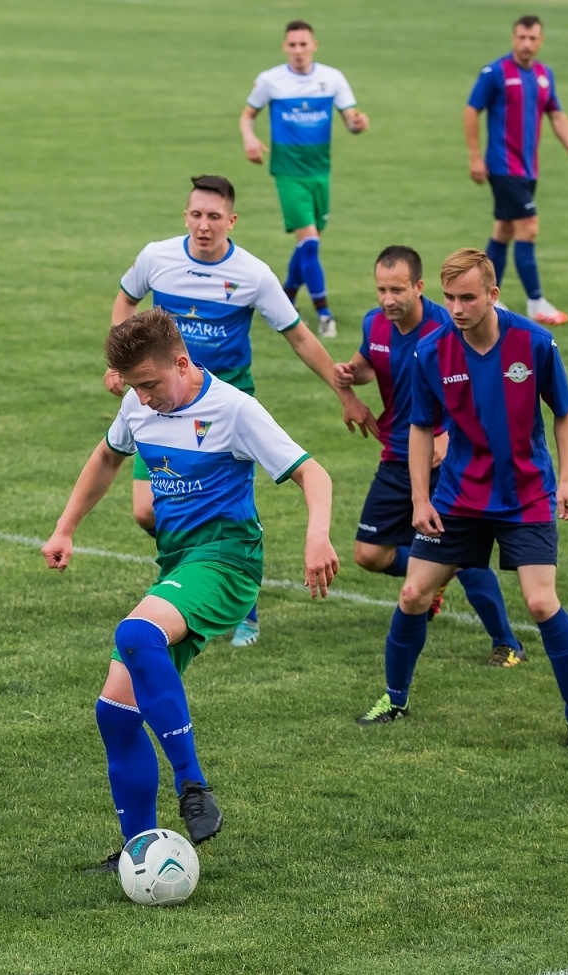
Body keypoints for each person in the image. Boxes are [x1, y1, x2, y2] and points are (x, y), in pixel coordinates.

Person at [47, 310, 339, 870]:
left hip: (227, 565)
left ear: (182, 364)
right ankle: (138, 849)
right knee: (114, 709)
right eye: (133, 386)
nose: (141, 397)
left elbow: (313, 473)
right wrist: (65, 527)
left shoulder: (233, 409)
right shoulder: (138, 404)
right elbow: (107, 456)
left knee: (136, 632)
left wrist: (317, 536)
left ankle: (193, 785)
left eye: (150, 384)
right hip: (179, 565)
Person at [105, 174, 374, 649]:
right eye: (195, 215)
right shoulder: (157, 258)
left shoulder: (252, 274)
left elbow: (298, 335)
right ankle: (193, 569)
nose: (203, 225)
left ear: (231, 220)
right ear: (184, 215)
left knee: (222, 511)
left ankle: (235, 587)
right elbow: (126, 298)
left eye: (213, 217)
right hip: (165, 404)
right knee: (146, 511)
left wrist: (343, 392)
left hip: (221, 412)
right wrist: (124, 366)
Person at [365, 248, 568, 749]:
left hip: (525, 495)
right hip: (459, 497)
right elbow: (421, 427)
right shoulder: (433, 349)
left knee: (539, 602)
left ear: (493, 294)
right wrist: (421, 500)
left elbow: (565, 411)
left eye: (468, 297)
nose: (457, 308)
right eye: (449, 298)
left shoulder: (533, 343)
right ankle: (394, 698)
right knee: (412, 594)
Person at [333, 247, 527, 700]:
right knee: (369, 553)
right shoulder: (374, 324)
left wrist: (447, 435)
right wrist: (351, 373)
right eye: (381, 289)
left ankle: (507, 642)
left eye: (397, 289)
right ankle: (434, 576)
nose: (388, 299)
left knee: (464, 556)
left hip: (446, 458)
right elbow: (370, 364)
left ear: (419, 287)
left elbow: (477, 386)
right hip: (394, 455)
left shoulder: (446, 327)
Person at [239, 20, 369, 339]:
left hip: (320, 173)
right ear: (285, 47)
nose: (298, 50)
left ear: (314, 45)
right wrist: (250, 140)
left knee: (308, 245)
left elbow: (351, 119)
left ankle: (285, 297)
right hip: (288, 173)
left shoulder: (332, 78)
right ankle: (324, 313)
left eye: (303, 44)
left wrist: (357, 124)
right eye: (292, 45)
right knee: (310, 243)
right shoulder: (271, 81)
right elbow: (247, 116)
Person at [463, 15, 568, 327]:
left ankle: (487, 297)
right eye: (521, 37)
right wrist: (475, 157)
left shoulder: (545, 75)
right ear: (512, 38)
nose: (526, 44)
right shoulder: (496, 72)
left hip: (529, 169)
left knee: (504, 231)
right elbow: (471, 111)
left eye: (532, 39)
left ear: (541, 41)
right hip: (503, 166)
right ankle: (536, 302)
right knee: (528, 227)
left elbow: (556, 115)